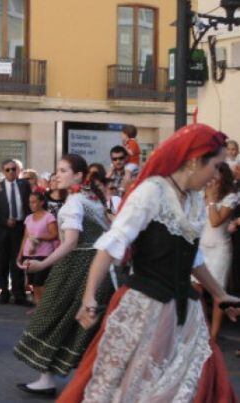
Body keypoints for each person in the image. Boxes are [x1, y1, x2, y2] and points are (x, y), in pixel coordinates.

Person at [60, 124, 240, 402]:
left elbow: (193, 258)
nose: (217, 175)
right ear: (193, 161)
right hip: (144, 307)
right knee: (133, 388)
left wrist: (219, 293)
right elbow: (111, 246)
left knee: (192, 386)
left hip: (186, 312)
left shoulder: (193, 199)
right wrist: (89, 297)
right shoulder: (152, 192)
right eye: (215, 166)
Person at [12, 155, 112, 397]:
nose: (57, 175)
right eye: (57, 170)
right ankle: (70, 379)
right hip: (100, 269)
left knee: (52, 317)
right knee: (79, 325)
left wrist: (41, 264)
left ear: (78, 175)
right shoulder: (92, 199)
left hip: (75, 269)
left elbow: (70, 243)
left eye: (64, 170)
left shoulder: (75, 202)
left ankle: (50, 379)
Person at [198, 162, 237, 340]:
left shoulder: (231, 196)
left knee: (218, 294)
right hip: (200, 248)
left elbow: (215, 221)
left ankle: (212, 338)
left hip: (219, 249)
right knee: (196, 291)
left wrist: (212, 199)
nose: (212, 176)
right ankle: (202, 329)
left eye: (217, 173)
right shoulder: (200, 193)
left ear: (224, 175)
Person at [0, 159, 32, 306]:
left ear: (18, 170)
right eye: (7, 170)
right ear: (3, 171)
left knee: (17, 261)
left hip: (20, 228)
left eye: (13, 169)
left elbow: (29, 205)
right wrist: (4, 221)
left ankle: (19, 294)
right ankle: (4, 292)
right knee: (2, 261)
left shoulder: (24, 185)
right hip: (2, 230)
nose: (11, 172)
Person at [17, 188, 58, 308]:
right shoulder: (28, 218)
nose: (32, 204)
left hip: (43, 254)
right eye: (30, 202)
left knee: (40, 282)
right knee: (33, 283)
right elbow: (25, 237)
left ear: (41, 202)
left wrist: (40, 237)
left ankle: (44, 308)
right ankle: (38, 307)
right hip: (29, 253)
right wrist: (20, 253)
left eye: (34, 202)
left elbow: (54, 234)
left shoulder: (49, 217)